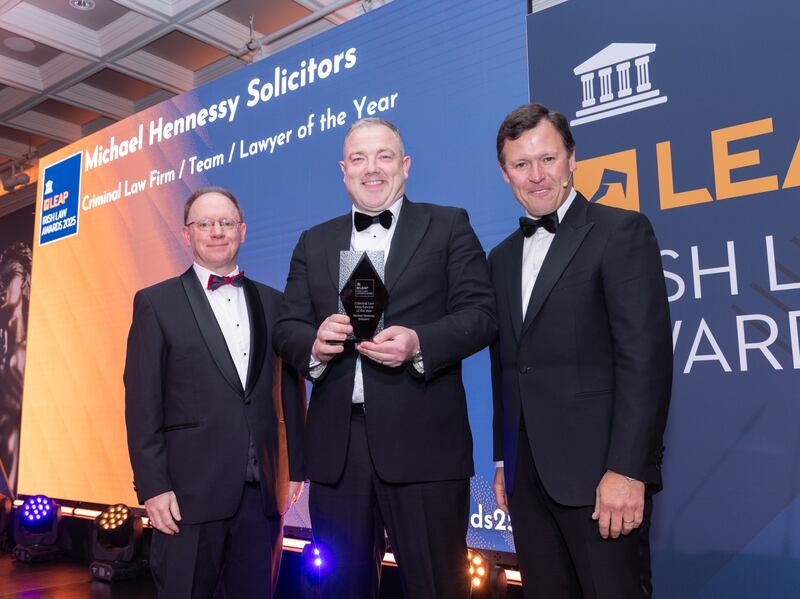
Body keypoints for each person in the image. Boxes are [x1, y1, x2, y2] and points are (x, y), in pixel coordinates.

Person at [273, 117, 496, 599]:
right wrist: (313, 342)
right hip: (338, 452)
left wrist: (419, 343)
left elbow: (481, 314)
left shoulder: (448, 223)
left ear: (406, 166)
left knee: (438, 587)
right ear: (343, 170)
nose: (371, 168)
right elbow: (285, 328)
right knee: (340, 589)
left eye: (384, 156)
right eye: (359, 158)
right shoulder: (314, 241)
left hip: (425, 447)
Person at [489, 103, 672, 598]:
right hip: (528, 484)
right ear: (505, 172)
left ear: (572, 157)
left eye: (547, 159)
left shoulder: (620, 232)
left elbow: (645, 362)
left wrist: (628, 470)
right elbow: (506, 366)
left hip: (601, 482)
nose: (536, 175)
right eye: (521, 164)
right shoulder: (501, 258)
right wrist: (505, 461)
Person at [124, 187, 305, 598]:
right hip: (187, 498)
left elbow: (290, 387)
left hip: (261, 496)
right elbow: (141, 403)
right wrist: (152, 486)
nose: (217, 232)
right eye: (205, 224)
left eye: (226, 223)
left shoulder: (275, 302)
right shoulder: (156, 302)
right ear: (187, 235)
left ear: (242, 231)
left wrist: (296, 466)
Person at [0, 241, 31, 493]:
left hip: (15, 493)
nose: (2, 286)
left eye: (10, 276)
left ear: (23, 281)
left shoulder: (30, 351)